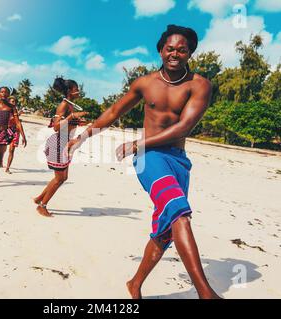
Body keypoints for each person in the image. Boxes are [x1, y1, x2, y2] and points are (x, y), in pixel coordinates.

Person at [68, 25, 221, 299]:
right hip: (148, 159)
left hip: (177, 160)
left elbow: (184, 127)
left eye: (182, 49)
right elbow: (114, 111)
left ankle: (134, 283)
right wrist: (81, 138)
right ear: (161, 50)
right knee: (180, 214)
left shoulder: (200, 85)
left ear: (190, 53)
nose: (175, 53)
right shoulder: (144, 83)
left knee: (166, 231)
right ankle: (205, 293)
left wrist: (138, 142)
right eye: (170, 48)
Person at [33, 78, 88, 217]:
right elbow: (57, 127)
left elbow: (67, 124)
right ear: (70, 91)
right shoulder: (63, 105)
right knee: (59, 179)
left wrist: (78, 121)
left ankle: (40, 198)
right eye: (76, 89)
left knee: (63, 177)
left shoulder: (70, 105)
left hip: (65, 144)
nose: (78, 91)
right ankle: (42, 206)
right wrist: (72, 116)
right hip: (58, 144)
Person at [5, 95, 24, 174]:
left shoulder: (15, 110)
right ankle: (1, 161)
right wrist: (18, 114)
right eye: (12, 101)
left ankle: (7, 168)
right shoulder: (5, 110)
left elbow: (18, 123)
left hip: (16, 131)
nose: (14, 103)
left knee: (11, 150)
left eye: (15, 102)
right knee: (3, 149)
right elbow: (9, 119)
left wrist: (23, 136)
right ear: (9, 102)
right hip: (7, 130)